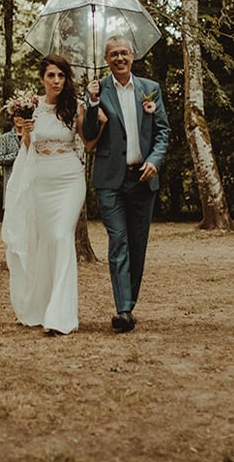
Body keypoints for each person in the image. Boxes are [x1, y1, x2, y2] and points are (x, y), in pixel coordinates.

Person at [83, 35, 170, 333]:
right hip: (110, 181)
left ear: (133, 55)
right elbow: (89, 136)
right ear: (106, 59)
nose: (119, 58)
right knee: (118, 241)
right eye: (113, 54)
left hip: (143, 179)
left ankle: (129, 304)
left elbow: (162, 131)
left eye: (124, 53)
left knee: (137, 245)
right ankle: (122, 310)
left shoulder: (150, 89)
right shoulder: (98, 90)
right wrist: (92, 103)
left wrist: (155, 161)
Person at [4, 55, 87, 335]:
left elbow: (89, 142)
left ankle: (61, 315)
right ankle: (42, 306)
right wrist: (25, 132)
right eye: (51, 75)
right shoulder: (30, 106)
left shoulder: (75, 106)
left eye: (61, 76)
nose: (56, 81)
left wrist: (96, 116)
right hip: (40, 179)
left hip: (70, 178)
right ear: (42, 78)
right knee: (45, 240)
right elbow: (28, 147)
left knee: (62, 236)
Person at [0, 118, 20, 211]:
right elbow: (0, 159)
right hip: (11, 179)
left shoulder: (32, 136)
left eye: (22, 116)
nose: (19, 119)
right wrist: (16, 155)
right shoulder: (6, 137)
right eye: (17, 116)